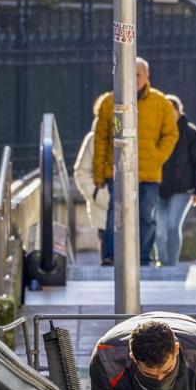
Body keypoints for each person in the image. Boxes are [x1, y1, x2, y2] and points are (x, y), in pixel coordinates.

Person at [92, 58, 179, 266]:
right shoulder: (109, 103)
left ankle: (142, 257)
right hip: (118, 170)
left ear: (147, 77)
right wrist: (99, 174)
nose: (134, 79)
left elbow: (171, 134)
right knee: (117, 214)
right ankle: (111, 256)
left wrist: (157, 157)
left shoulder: (161, 104)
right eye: (130, 74)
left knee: (147, 216)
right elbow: (101, 139)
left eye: (138, 75)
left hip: (149, 173)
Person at [156, 94, 196, 267]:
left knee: (172, 226)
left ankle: (171, 265)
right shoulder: (156, 131)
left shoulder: (190, 132)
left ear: (179, 112)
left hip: (182, 189)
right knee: (159, 230)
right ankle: (162, 263)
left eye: (172, 111)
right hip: (158, 187)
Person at [74, 94, 112, 263]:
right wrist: (97, 194)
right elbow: (81, 172)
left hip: (130, 202)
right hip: (103, 204)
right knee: (108, 251)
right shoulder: (93, 139)